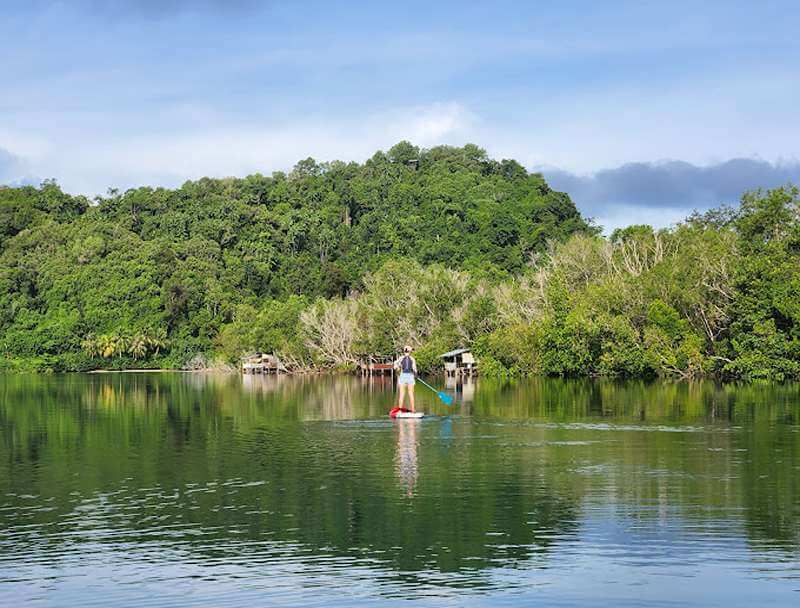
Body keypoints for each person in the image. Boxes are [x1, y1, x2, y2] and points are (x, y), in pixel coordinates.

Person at [394, 345, 418, 412]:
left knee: (402, 394)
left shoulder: (401, 358)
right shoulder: (412, 359)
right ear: (409, 351)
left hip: (404, 376)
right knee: (411, 394)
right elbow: (414, 369)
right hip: (409, 376)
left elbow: (395, 366)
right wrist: (416, 374)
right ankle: (413, 410)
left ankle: (400, 410)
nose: (411, 351)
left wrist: (397, 368)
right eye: (411, 350)